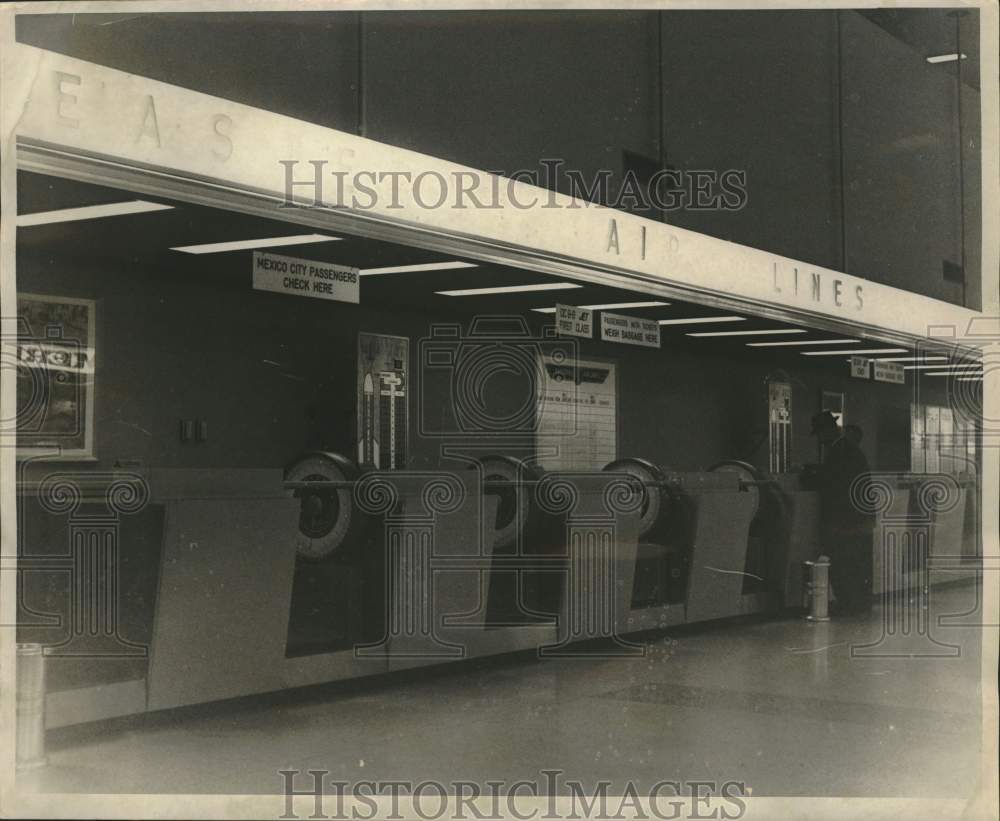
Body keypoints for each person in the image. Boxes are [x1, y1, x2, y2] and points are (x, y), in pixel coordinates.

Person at [809, 412, 875, 616]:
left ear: (828, 431)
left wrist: (810, 475)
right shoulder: (848, 449)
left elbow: (833, 483)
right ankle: (856, 603)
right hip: (859, 518)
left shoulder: (840, 451)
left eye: (820, 434)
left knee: (845, 562)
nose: (819, 440)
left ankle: (850, 604)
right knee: (856, 562)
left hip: (848, 521)